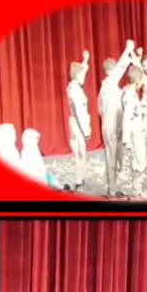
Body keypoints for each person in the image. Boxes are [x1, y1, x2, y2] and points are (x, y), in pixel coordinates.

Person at [99, 41, 136, 196]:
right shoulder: (107, 84)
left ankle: (114, 183)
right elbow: (101, 110)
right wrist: (127, 49)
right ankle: (112, 187)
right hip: (110, 127)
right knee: (111, 157)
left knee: (119, 157)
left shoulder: (115, 88)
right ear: (109, 71)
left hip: (118, 127)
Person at [121, 64, 147, 198]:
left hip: (137, 133)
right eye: (141, 80)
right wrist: (126, 139)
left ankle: (137, 190)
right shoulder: (129, 96)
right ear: (137, 81)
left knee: (139, 162)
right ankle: (137, 191)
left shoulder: (131, 94)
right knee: (138, 163)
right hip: (134, 136)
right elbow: (127, 117)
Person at [66, 50, 91, 189]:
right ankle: (78, 181)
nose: (84, 77)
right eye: (81, 75)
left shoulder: (73, 86)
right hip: (78, 124)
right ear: (77, 76)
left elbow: (82, 71)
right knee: (80, 153)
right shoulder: (76, 91)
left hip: (74, 122)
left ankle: (79, 178)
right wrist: (87, 131)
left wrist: (85, 60)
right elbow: (81, 113)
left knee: (79, 152)